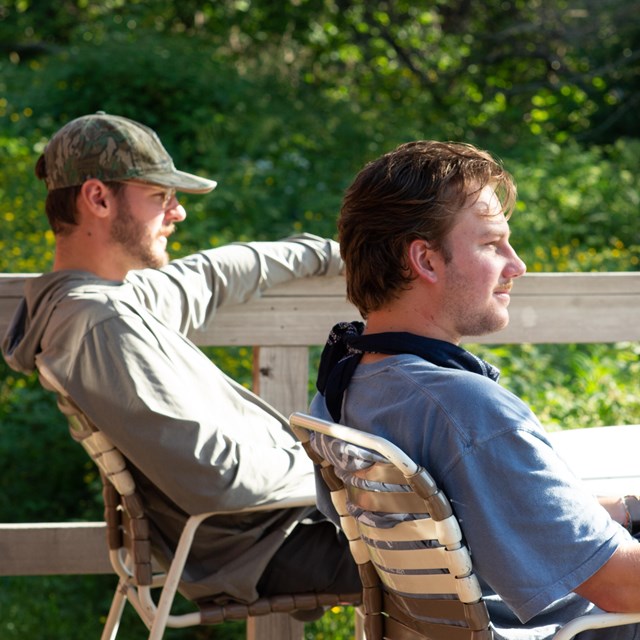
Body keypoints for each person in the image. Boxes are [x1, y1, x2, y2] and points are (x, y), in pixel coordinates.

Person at [1, 112, 360, 606]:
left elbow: (210, 274)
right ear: (98, 198)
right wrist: (348, 470)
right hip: (263, 546)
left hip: (275, 526)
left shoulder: (108, 301)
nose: (177, 213)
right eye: (159, 197)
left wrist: (329, 253)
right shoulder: (100, 325)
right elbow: (218, 481)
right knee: (464, 558)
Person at [309, 140, 640, 639]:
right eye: (491, 244)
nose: (517, 265)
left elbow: (509, 507)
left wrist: (630, 509)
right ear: (425, 260)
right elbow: (624, 589)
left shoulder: (346, 388)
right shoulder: (465, 412)